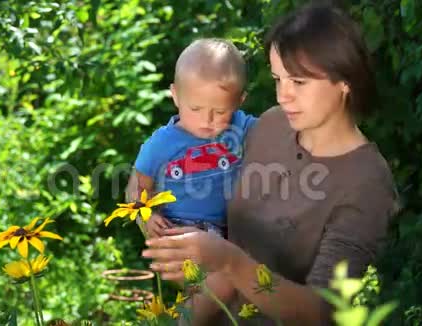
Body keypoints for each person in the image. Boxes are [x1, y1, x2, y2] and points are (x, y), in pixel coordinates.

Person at [137, 2, 400, 325]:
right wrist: (163, 230)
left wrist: (229, 262)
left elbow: (322, 313)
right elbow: (185, 170)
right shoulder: (272, 125)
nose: (282, 96)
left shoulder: (366, 182)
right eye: (278, 79)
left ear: (344, 80)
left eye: (298, 82)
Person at [130, 38, 257, 239]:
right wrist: (146, 215)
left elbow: (276, 129)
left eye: (220, 111)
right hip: (178, 229)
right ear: (175, 95)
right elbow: (136, 186)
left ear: (239, 102)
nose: (206, 120)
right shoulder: (162, 143)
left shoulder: (239, 126)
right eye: (195, 109)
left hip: (231, 231)